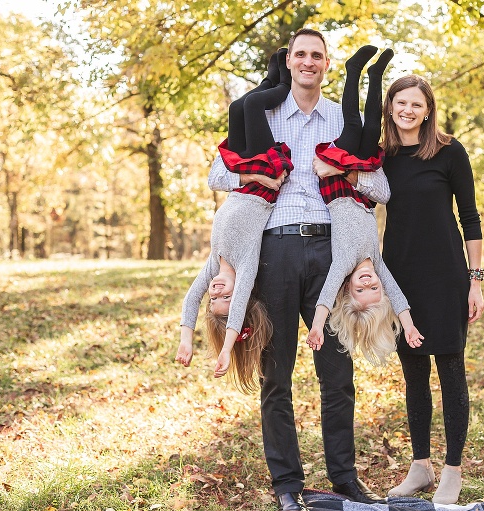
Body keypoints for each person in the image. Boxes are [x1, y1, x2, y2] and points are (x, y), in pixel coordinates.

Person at [208, 29, 391, 511]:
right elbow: (217, 174)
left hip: (332, 253)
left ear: (327, 65)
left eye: (317, 56)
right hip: (273, 251)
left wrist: (346, 174)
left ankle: (344, 479)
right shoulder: (261, 114)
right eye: (301, 55)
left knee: (337, 372)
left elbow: (380, 183)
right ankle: (288, 484)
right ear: (289, 62)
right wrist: (257, 175)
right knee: (277, 373)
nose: (309, 62)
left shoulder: (341, 117)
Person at [380, 75, 484, 505]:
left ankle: (453, 470)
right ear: (390, 107)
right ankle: (420, 466)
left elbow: (471, 218)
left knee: (450, 371)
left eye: (416, 104)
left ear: (428, 110)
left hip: (445, 275)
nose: (407, 110)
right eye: (400, 102)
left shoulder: (449, 151)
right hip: (399, 275)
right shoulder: (380, 157)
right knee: (413, 373)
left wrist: (475, 281)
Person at [175, 49, 292, 393]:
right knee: (253, 107)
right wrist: (227, 348)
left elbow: (189, 300)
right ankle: (284, 82)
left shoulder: (213, 266)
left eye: (214, 301)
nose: (217, 294)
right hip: (266, 177)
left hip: (246, 177)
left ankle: (272, 77)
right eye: (224, 300)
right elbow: (239, 307)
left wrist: (186, 340)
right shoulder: (245, 267)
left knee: (236, 108)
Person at [306, 45, 424, 366]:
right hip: (362, 191)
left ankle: (353, 70)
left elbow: (325, 298)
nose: (369, 284)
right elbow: (398, 297)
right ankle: (376, 75)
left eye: (361, 291)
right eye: (375, 291)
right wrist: (409, 327)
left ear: (350, 290)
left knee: (354, 127)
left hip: (338, 187)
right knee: (373, 130)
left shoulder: (342, 265)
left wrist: (318, 327)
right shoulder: (378, 265)